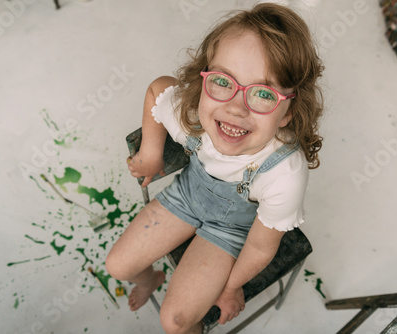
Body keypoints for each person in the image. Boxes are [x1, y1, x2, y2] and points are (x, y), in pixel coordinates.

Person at [106, 3, 323, 333]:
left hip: (233, 231)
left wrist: (231, 286)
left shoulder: (284, 173)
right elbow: (156, 89)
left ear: (289, 113)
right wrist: (151, 153)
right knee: (118, 265)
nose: (236, 108)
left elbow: (262, 246)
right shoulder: (194, 115)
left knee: (175, 322)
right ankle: (152, 279)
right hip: (187, 197)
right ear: (204, 76)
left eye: (263, 92)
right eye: (223, 81)